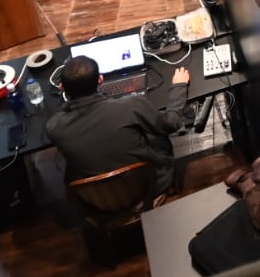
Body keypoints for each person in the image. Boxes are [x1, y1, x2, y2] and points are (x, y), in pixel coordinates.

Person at [46, 56, 191, 198]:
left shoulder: (54, 127)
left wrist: (69, 101)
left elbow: (62, 114)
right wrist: (179, 86)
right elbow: (172, 123)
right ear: (100, 80)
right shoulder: (131, 106)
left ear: (62, 88)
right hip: (148, 188)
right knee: (158, 136)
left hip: (97, 199)